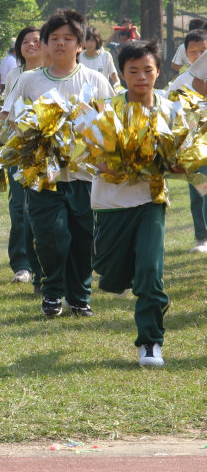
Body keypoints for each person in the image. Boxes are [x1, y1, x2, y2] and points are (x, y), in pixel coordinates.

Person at [1, 9, 113, 318]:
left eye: (68, 38)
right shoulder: (29, 80)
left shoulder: (95, 80)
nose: (60, 43)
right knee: (51, 236)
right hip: (43, 176)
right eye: (54, 38)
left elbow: (108, 125)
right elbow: (13, 120)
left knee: (82, 239)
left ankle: (79, 297)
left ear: (80, 44)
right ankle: (52, 292)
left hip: (84, 176)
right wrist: (41, 129)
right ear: (46, 44)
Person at [92, 40, 171, 367]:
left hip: (151, 201)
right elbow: (91, 155)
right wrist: (113, 164)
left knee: (150, 272)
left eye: (147, 70)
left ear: (157, 71)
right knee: (110, 275)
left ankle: (150, 342)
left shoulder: (169, 109)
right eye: (133, 71)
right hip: (111, 204)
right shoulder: (105, 109)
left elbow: (182, 154)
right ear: (122, 74)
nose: (141, 77)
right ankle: (125, 279)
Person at [0, 27, 44, 290]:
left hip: (47, 150)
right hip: (18, 147)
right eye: (25, 42)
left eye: (36, 41)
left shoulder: (52, 74)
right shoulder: (14, 75)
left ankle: (44, 263)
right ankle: (22, 265)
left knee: (41, 208)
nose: (31, 45)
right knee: (19, 207)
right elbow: (6, 112)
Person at [165, 29, 207, 253]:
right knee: (199, 190)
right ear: (185, 53)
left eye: (203, 50)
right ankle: (202, 237)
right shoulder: (180, 82)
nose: (198, 55)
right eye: (193, 52)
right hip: (192, 145)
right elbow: (169, 111)